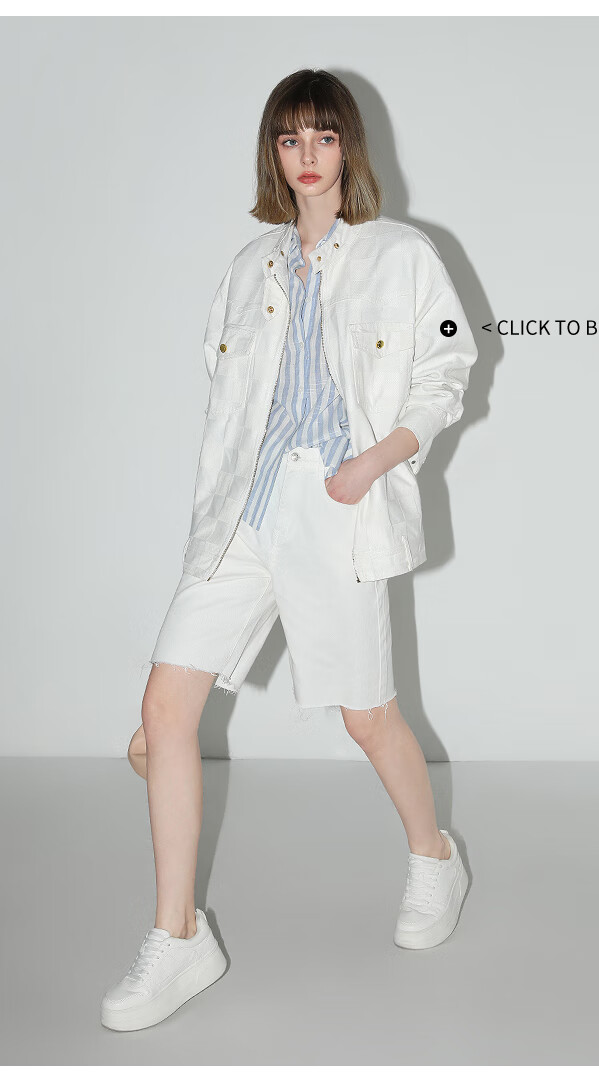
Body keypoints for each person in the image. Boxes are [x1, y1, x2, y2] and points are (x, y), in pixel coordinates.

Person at [101, 68, 478, 1032]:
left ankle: (435, 857)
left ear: (348, 147)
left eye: (323, 136)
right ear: (272, 154)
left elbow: (449, 367)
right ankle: (178, 937)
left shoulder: (402, 254)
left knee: (367, 716)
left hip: (337, 504)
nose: (307, 156)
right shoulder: (248, 267)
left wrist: (372, 462)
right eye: (288, 138)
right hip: (242, 512)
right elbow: (225, 397)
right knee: (164, 708)